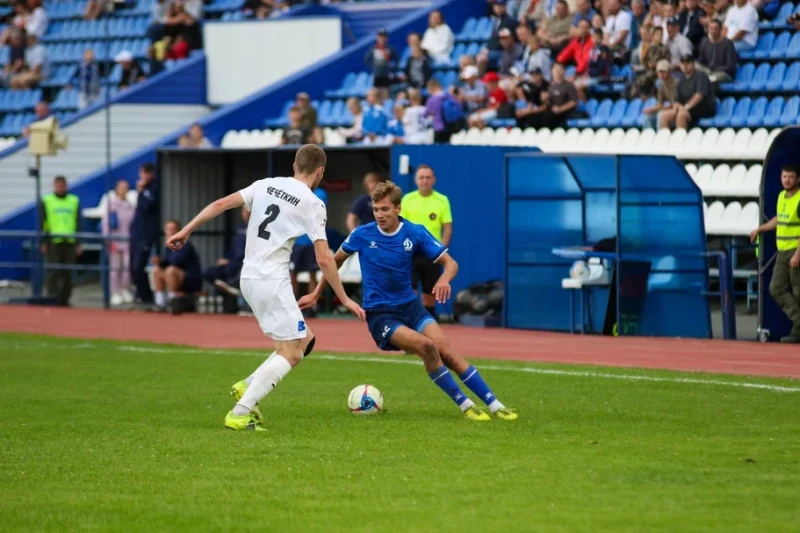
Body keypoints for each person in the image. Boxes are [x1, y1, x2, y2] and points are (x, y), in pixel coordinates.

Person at [166, 144, 365, 431]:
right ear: (320, 172)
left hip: (248, 277)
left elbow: (220, 204)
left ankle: (247, 385)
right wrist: (343, 298)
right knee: (292, 353)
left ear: (294, 166)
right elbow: (323, 257)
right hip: (272, 280)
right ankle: (240, 412)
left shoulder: (265, 184)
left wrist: (186, 230)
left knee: (305, 340)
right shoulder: (313, 203)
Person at [299, 181, 517, 422]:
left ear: (398, 209)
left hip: (411, 308)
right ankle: (466, 405)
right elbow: (334, 262)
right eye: (376, 209)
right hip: (381, 315)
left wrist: (444, 279)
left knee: (447, 352)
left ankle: (496, 405)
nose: (379, 215)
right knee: (427, 347)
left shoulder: (415, 232)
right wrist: (317, 293)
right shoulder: (362, 234)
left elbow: (451, 264)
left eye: (385, 209)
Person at [750, 166, 800, 343]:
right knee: (776, 288)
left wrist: (798, 254)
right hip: (782, 250)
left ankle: (797, 331)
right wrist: (760, 228)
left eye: (790, 177)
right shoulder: (781, 196)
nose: (787, 180)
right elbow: (779, 219)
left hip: (795, 250)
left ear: (798, 179)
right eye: (784, 176)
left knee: (798, 291)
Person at [400, 164, 452, 321]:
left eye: (428, 177)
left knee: (429, 296)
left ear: (434, 180)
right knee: (410, 291)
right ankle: (409, 324)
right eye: (421, 177)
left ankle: (429, 325)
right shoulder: (407, 199)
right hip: (411, 253)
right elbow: (401, 225)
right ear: (416, 180)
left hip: (431, 254)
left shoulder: (442, 200)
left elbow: (447, 228)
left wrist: (441, 251)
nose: (425, 181)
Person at [40, 176, 81, 307]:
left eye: (62, 185)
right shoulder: (47, 201)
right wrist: (43, 241)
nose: (60, 188)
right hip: (53, 241)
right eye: (57, 185)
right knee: (53, 272)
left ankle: (65, 300)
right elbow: (42, 222)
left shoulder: (73, 200)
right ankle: (52, 298)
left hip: (70, 241)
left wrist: (78, 242)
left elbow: (78, 222)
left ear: (66, 186)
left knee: (68, 273)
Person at [290, 187, 328, 316]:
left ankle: (312, 306)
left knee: (312, 274)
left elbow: (317, 211)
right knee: (292, 273)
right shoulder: (295, 191)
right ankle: (293, 306)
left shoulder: (320, 193)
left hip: (312, 241)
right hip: (296, 241)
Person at [152, 219, 202, 313]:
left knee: (170, 270)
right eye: (168, 229)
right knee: (156, 270)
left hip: (190, 278)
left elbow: (176, 262)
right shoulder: (170, 245)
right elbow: (167, 262)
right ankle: (160, 302)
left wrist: (169, 246)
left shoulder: (184, 244)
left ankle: (173, 301)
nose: (170, 232)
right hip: (176, 275)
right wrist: (159, 262)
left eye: (172, 229)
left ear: (179, 231)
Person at [101, 179, 136, 306]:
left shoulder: (130, 205)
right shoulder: (111, 204)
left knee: (127, 267)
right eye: (121, 187)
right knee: (115, 268)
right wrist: (108, 240)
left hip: (128, 241)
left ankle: (125, 289)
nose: (123, 190)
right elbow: (106, 223)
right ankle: (115, 292)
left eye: (125, 187)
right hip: (115, 241)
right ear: (116, 189)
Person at [204, 206, 249, 302]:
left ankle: (232, 286)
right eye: (244, 211)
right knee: (208, 272)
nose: (247, 213)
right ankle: (227, 288)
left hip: (244, 263)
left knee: (240, 271)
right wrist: (226, 259)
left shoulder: (258, 229)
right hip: (232, 263)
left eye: (249, 210)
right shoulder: (239, 229)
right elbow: (233, 249)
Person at [130, 162, 159, 306]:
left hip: (147, 235)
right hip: (136, 233)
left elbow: (147, 207)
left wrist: (141, 192)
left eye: (146, 173)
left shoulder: (155, 188)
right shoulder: (144, 189)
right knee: (132, 268)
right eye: (142, 173)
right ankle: (140, 296)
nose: (143, 176)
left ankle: (147, 298)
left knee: (138, 266)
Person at [659, 55, 716, 129]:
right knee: (664, 116)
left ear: (693, 64)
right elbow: (676, 100)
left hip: (703, 108)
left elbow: (699, 95)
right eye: (682, 63)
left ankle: (681, 136)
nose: (685, 66)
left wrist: (686, 107)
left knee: (681, 115)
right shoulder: (681, 81)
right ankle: (666, 136)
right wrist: (677, 108)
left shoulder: (701, 76)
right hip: (688, 109)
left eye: (688, 63)